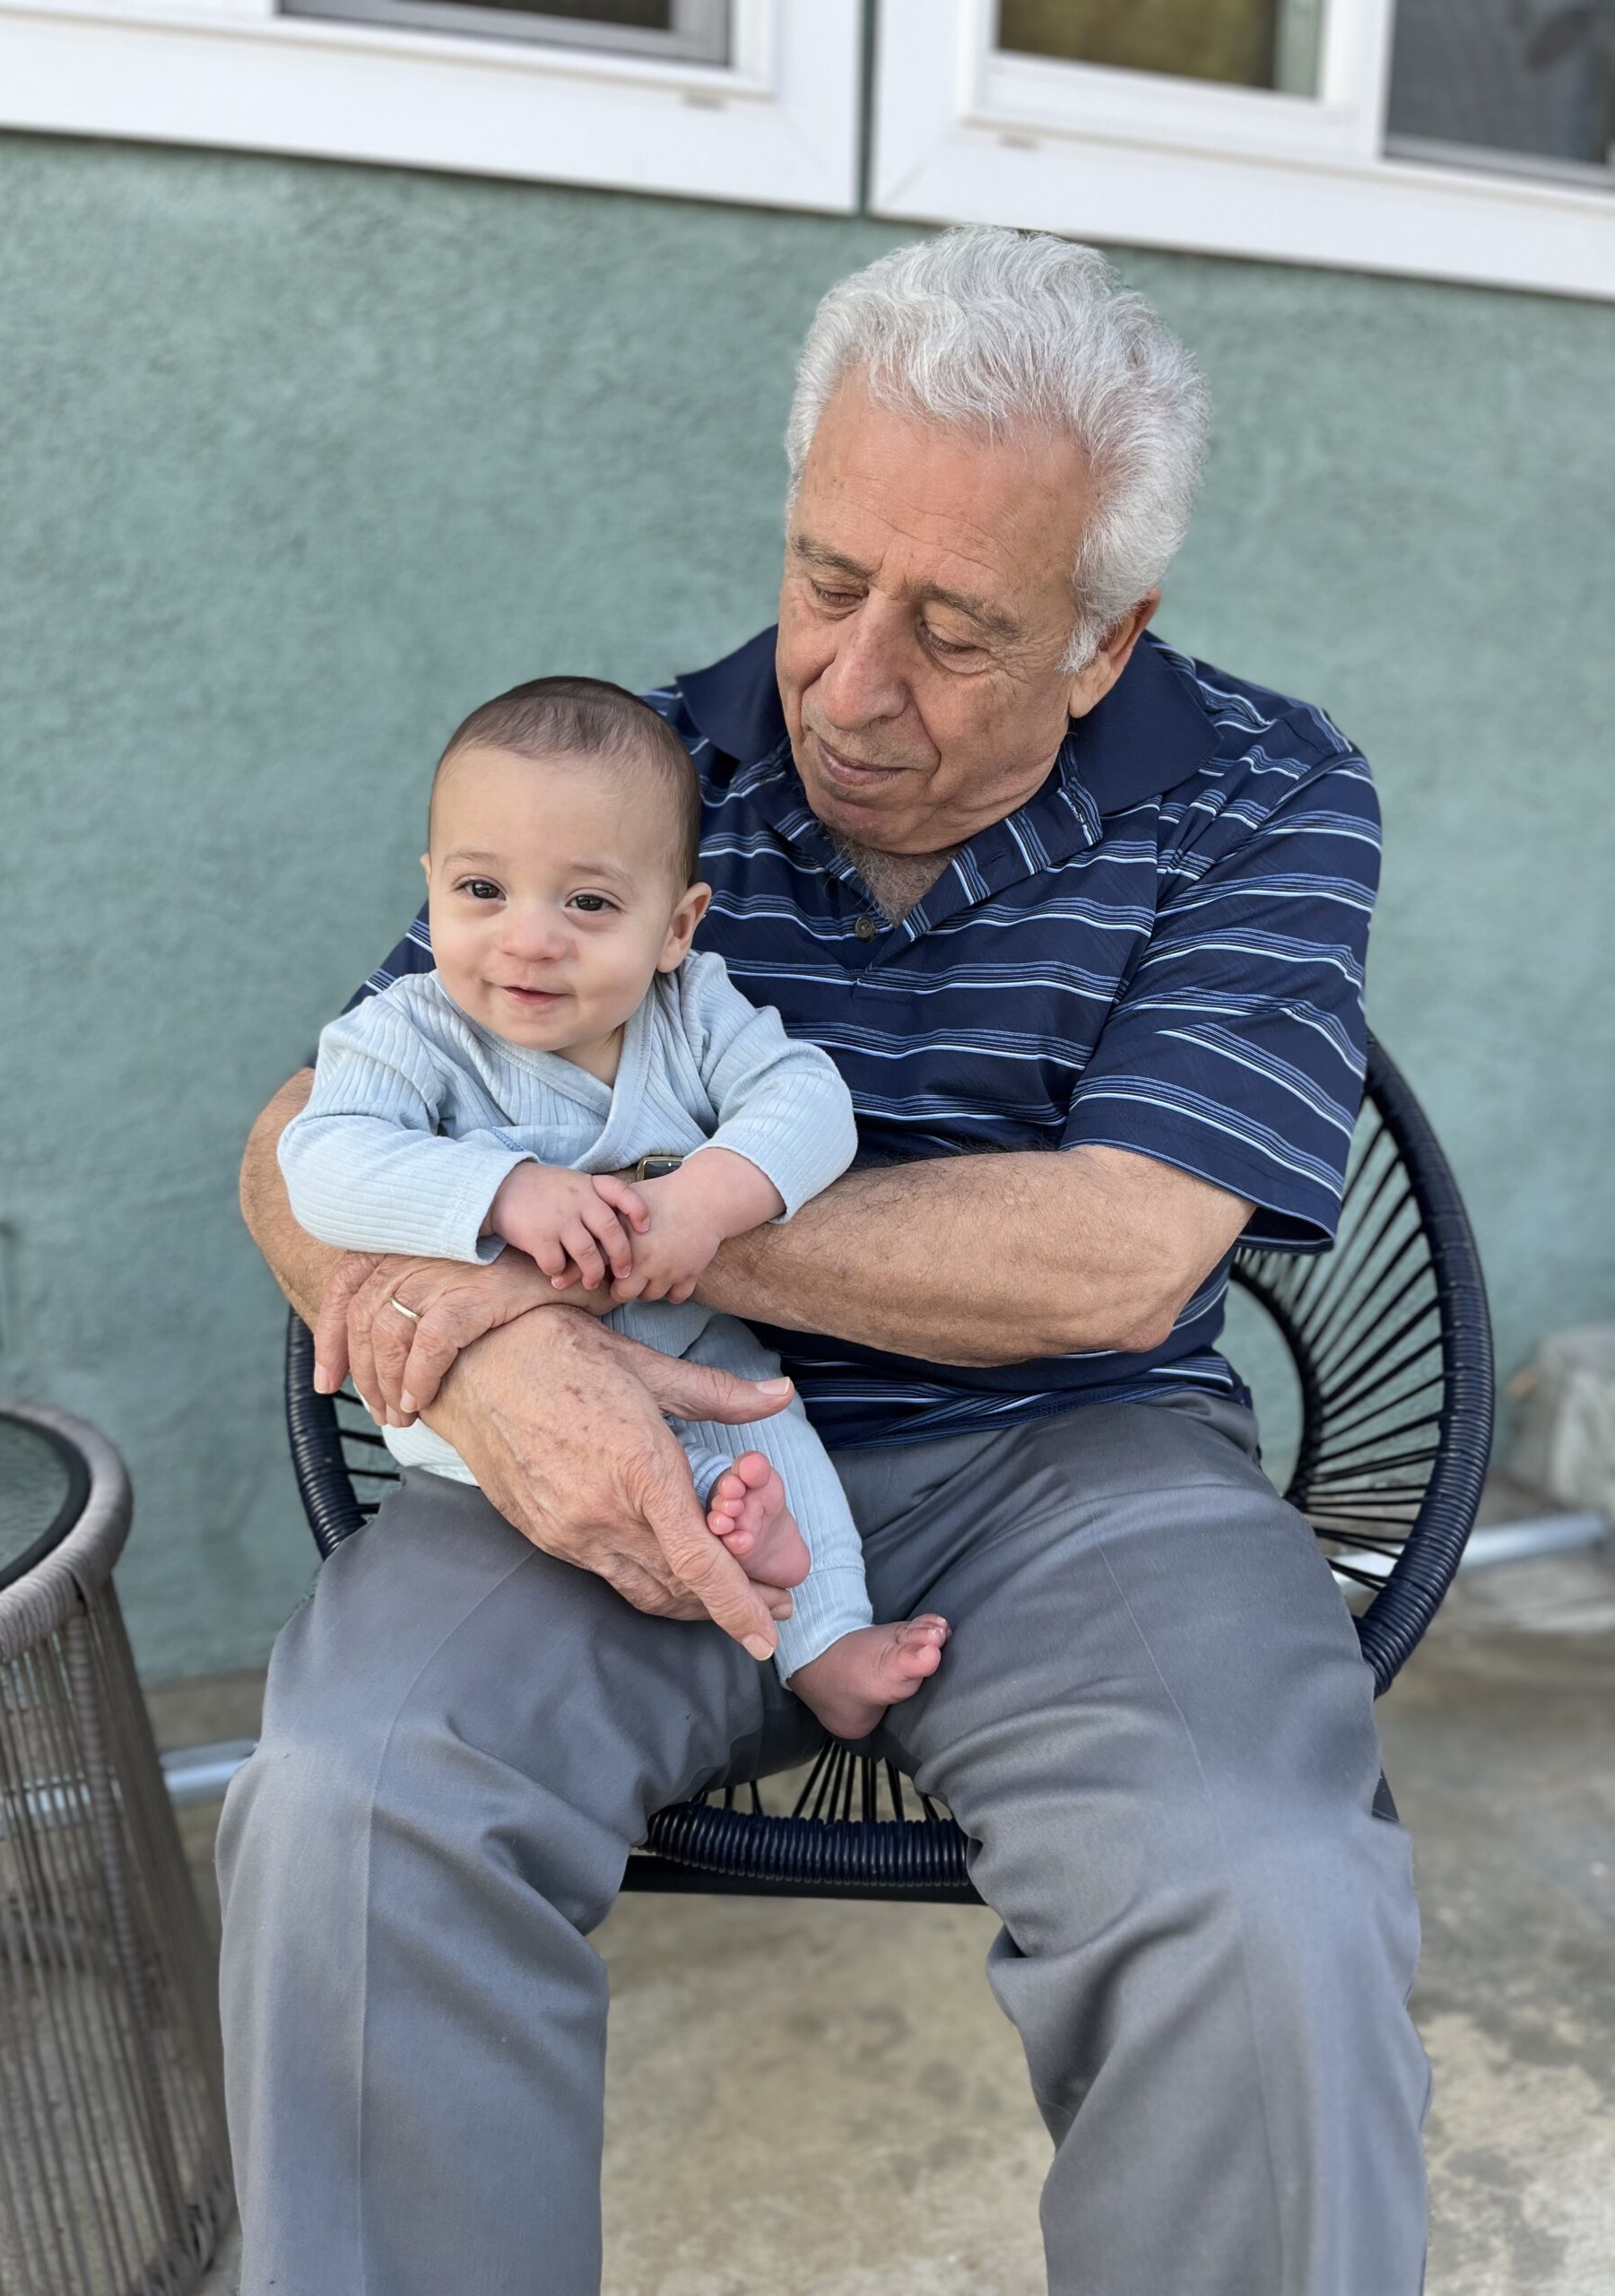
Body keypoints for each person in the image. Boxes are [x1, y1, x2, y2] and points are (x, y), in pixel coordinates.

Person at [222, 227, 1431, 2295]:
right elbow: (300, 1139)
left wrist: (605, 1234)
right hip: (626, 1419)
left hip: (1077, 1462)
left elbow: (1114, 1258)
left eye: (956, 630)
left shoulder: (1260, 794)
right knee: (356, 1802)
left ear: (1106, 638)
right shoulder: (631, 771)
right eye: (826, 577)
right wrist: (504, 1354)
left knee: (1267, 1888)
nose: (851, 688)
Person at [276, 674, 950, 1736]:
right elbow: (322, 1160)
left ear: (676, 926)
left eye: (587, 903)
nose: (529, 939)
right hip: (500, 1391)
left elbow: (809, 1100)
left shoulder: (691, 1013)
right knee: (661, 1466)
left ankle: (824, 1641)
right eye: (482, 890)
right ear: (430, 888)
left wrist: (706, 1201)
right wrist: (497, 1190)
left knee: (772, 1426)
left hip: (693, 1349)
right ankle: (716, 1515)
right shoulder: (409, 1032)